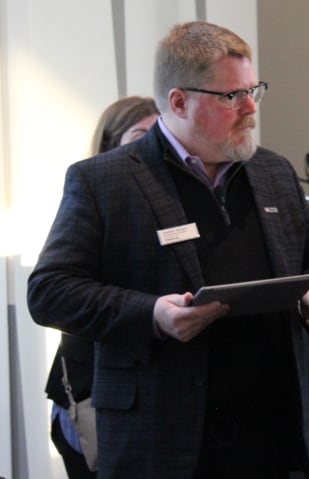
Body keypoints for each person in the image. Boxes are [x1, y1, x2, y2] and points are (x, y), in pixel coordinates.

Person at [28, 21, 309, 479]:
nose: (250, 108)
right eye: (232, 96)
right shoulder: (103, 181)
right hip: (161, 439)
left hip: (270, 433)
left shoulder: (273, 171)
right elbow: (49, 291)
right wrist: (152, 315)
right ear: (179, 102)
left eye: (253, 90)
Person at [45, 95, 159, 478]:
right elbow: (54, 294)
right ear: (110, 145)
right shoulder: (91, 197)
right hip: (93, 390)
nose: (154, 148)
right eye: (141, 136)